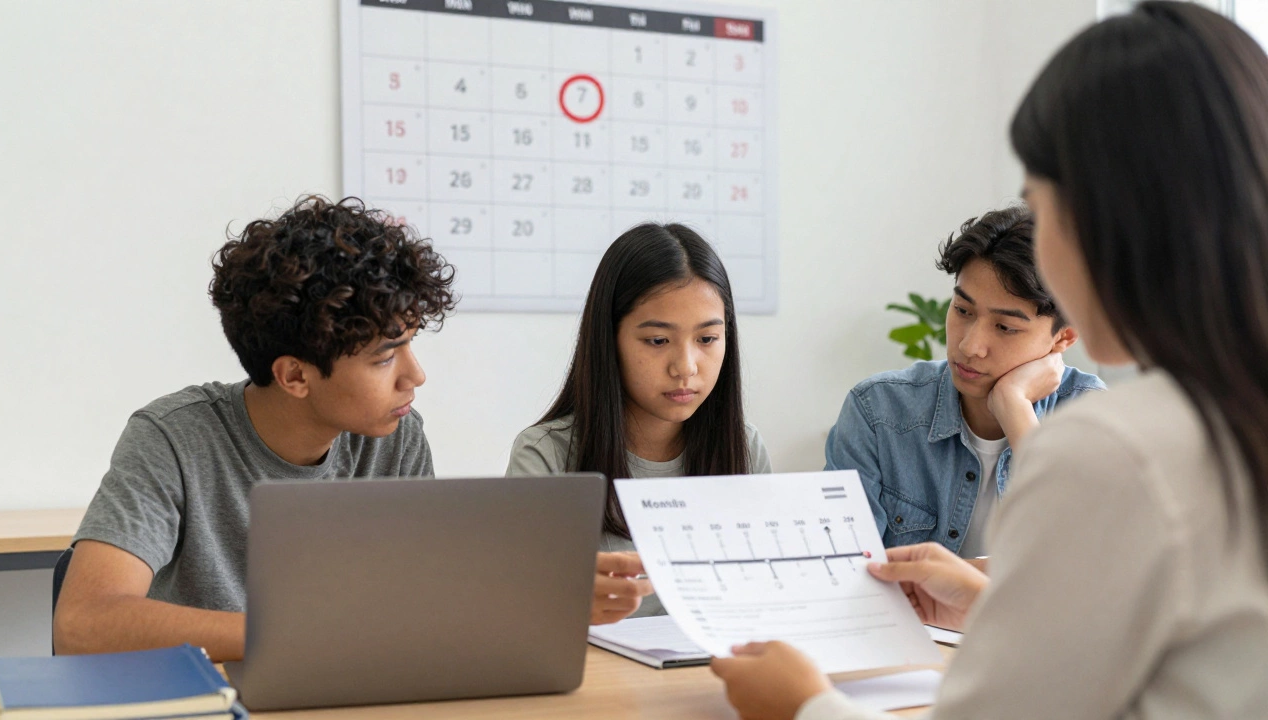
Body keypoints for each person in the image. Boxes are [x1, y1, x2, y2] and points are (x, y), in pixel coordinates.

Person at [713, 3, 1268, 717]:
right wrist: (992, 604)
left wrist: (801, 704)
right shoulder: (1224, 417)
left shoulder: (1114, 446)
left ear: (1100, 217)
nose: (974, 343)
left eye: (1042, 203)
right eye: (964, 309)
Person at [54, 196, 455, 661]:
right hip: (208, 693)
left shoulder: (396, 436)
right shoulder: (172, 438)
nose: (415, 376)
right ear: (295, 376)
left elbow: (421, 607)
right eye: (385, 357)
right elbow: (83, 624)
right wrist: (298, 637)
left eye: (410, 345)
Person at [508, 223, 772, 622]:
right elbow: (518, 612)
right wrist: (566, 602)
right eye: (658, 341)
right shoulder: (546, 455)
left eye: (707, 339)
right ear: (609, 339)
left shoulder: (745, 447)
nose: (686, 367)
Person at [825, 207, 1104, 556]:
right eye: (962, 310)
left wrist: (1015, 407)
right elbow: (845, 570)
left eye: (1005, 327)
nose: (969, 346)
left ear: (1064, 337)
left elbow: (1090, 567)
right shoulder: (878, 412)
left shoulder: (1093, 418)